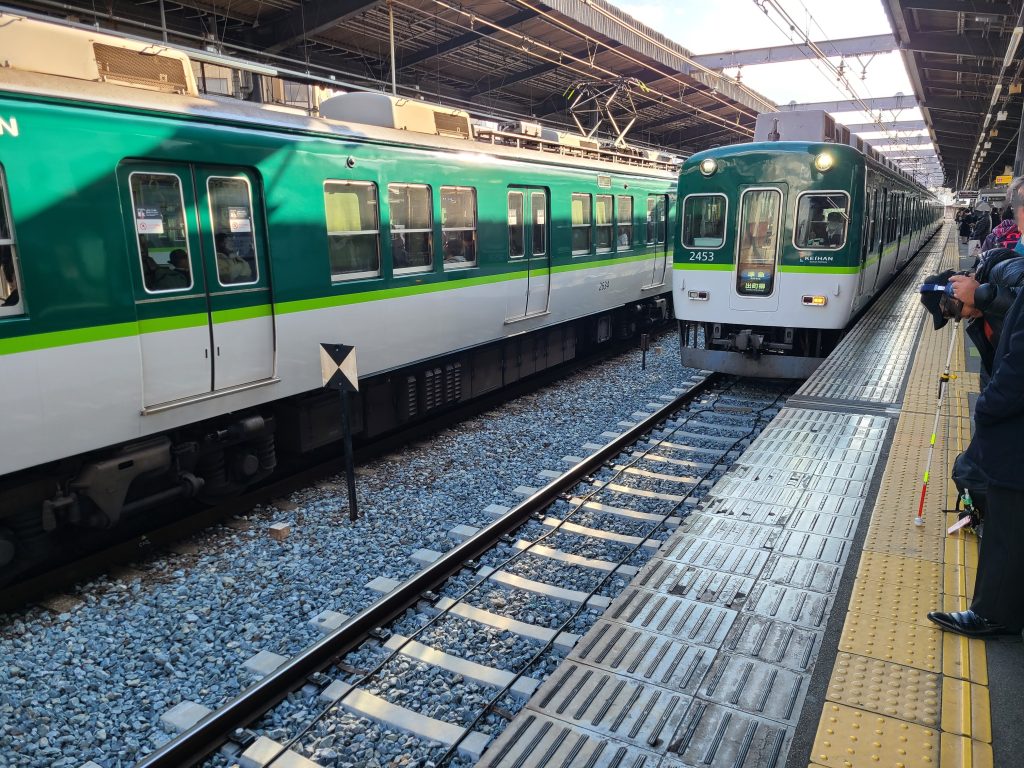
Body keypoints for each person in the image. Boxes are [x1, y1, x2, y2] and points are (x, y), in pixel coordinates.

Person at [927, 174, 1024, 638]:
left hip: (1013, 428)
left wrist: (987, 408)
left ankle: (994, 615)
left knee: (1005, 518)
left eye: (950, 308)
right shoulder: (984, 308)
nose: (954, 317)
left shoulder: (1002, 271)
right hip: (1009, 423)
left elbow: (1015, 364)